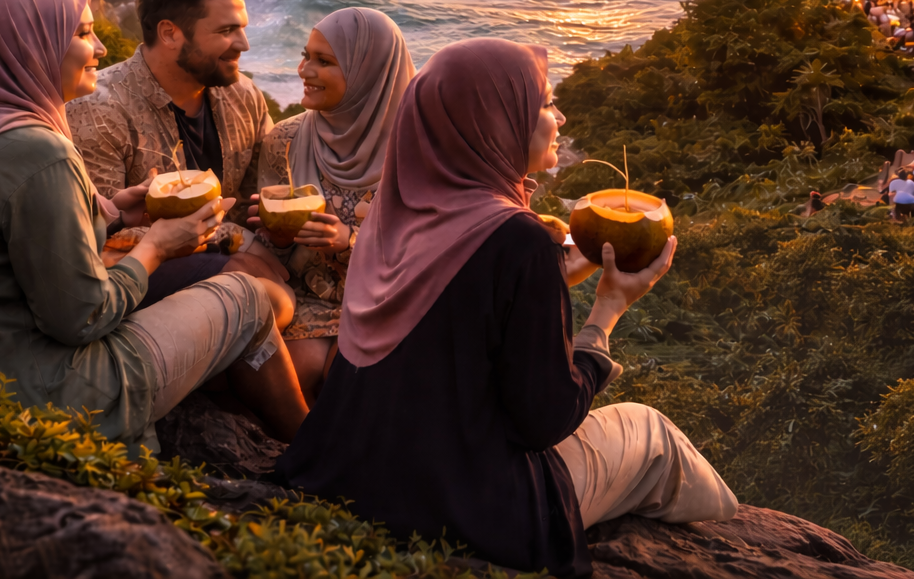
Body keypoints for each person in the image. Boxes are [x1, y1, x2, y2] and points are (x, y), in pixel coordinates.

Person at [276, 39, 735, 576]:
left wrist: (561, 272)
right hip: (469, 504)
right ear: (495, 119)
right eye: (544, 103)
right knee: (654, 435)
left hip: (353, 473)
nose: (559, 116)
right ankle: (734, 542)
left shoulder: (394, 209)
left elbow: (460, 308)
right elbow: (545, 418)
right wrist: (606, 312)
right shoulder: (520, 240)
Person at [0, 0, 307, 451]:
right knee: (246, 296)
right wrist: (155, 248)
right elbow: (82, 319)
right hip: (9, 386)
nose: (99, 47)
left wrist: (112, 214)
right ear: (31, 46)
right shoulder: (38, 150)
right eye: (82, 33)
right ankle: (307, 451)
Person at [68, 0, 289, 310]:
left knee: (279, 294)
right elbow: (102, 242)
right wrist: (236, 245)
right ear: (170, 33)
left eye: (242, 29)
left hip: (223, 261)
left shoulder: (243, 95)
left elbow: (253, 202)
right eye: (227, 30)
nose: (243, 44)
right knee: (269, 301)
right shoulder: (97, 110)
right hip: (131, 280)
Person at [249, 8, 415, 404]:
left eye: (323, 61)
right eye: (306, 55)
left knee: (352, 377)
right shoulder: (285, 140)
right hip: (303, 301)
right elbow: (275, 255)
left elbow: (431, 255)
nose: (304, 70)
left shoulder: (418, 154)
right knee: (292, 370)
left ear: (369, 72)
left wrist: (348, 241)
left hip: (387, 307)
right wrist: (275, 234)